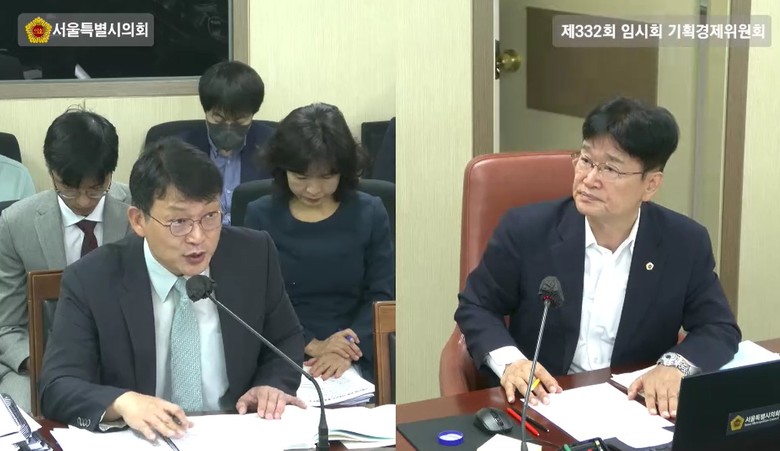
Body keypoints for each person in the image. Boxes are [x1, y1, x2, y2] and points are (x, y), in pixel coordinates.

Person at [454, 96, 741, 421]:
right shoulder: (526, 230)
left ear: (650, 185)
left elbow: (719, 327)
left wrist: (673, 367)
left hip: (633, 410)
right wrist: (512, 362)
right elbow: (477, 306)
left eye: (611, 169)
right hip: (543, 404)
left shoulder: (684, 243)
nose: (589, 179)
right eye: (586, 160)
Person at [39, 138, 306, 440]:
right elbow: (57, 386)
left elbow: (285, 337)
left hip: (237, 433)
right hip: (143, 440)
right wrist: (122, 402)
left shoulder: (253, 255)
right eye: (179, 221)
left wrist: (271, 384)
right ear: (138, 221)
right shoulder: (92, 279)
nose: (197, 237)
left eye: (210, 216)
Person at [245, 103, 394, 383]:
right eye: (300, 177)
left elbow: (382, 294)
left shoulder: (370, 212)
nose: (313, 189)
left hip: (355, 349)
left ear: (343, 171)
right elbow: (255, 300)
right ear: (282, 169)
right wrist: (312, 344)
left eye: (326, 177)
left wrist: (346, 347)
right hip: (282, 348)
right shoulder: (260, 215)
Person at [0, 109, 132, 412]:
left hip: (128, 359)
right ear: (51, 173)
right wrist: (46, 364)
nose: (83, 201)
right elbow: (6, 325)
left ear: (111, 173)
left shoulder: (138, 209)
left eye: (96, 189)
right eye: (69, 189)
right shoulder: (16, 224)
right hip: (44, 362)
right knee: (20, 416)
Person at [181, 61, 273, 225]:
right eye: (218, 118)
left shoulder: (274, 147)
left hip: (254, 235)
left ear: (253, 114)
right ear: (206, 110)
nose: (228, 127)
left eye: (239, 119)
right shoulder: (180, 149)